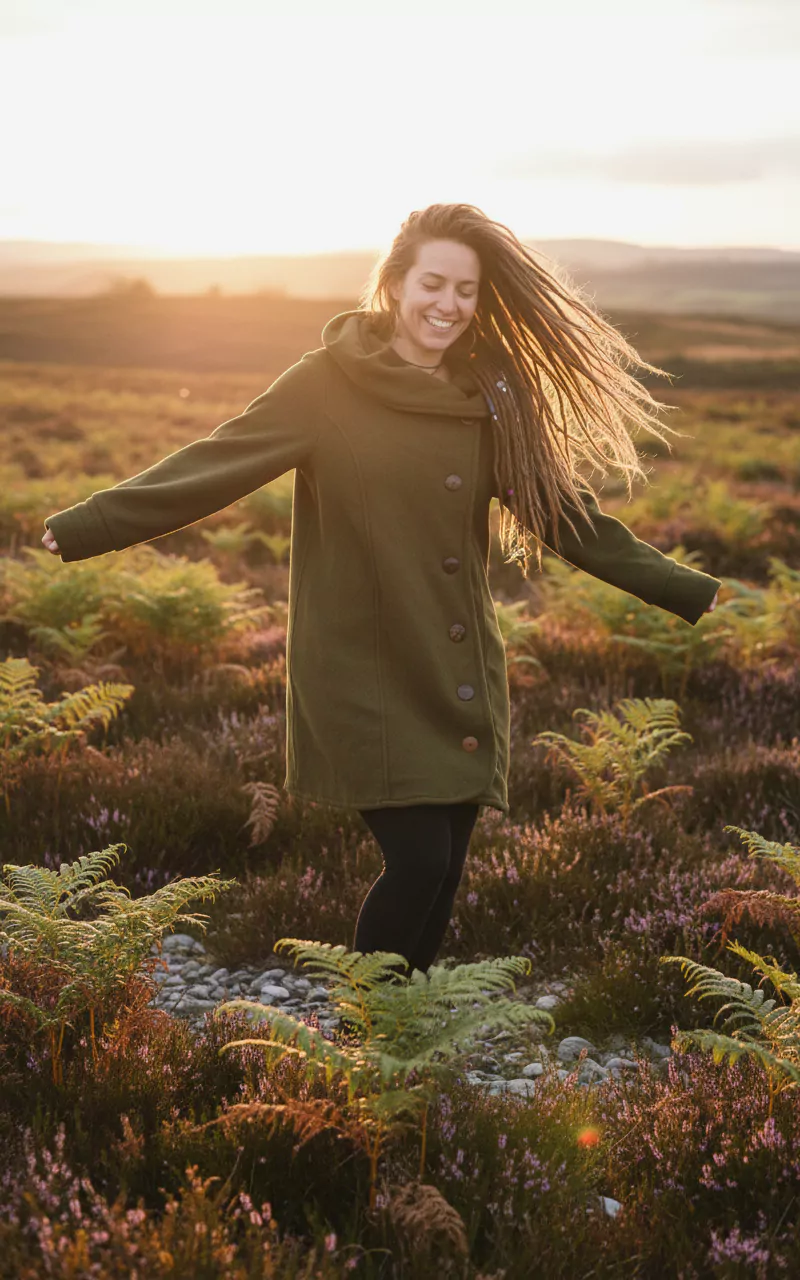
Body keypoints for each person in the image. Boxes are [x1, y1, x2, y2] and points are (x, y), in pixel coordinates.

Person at [42, 202, 721, 983]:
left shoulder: (486, 393)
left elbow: (568, 519)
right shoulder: (326, 384)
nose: (449, 304)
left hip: (451, 662)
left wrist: (687, 589)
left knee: (446, 868)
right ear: (396, 285)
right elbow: (214, 462)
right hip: (361, 667)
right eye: (433, 283)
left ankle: (398, 1038)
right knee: (419, 859)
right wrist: (94, 523)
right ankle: (368, 1039)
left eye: (466, 290)